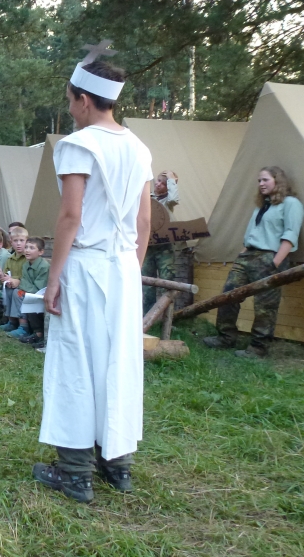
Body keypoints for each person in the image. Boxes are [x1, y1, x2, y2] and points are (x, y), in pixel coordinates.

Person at [33, 58, 152, 504]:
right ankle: (117, 465)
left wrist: (54, 278)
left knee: (75, 362)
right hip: (124, 267)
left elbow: (71, 215)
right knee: (118, 361)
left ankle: (76, 473)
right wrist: (129, 270)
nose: (69, 109)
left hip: (84, 265)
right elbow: (144, 221)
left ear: (84, 99)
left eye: (70, 101)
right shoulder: (139, 147)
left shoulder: (78, 144)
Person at [203, 166, 304, 357]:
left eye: (265, 180)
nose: (261, 184)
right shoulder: (262, 205)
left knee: (265, 305)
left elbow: (290, 235)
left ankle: (258, 348)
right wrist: (241, 255)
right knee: (228, 295)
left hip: (270, 257)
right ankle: (226, 337)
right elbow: (251, 234)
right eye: (259, 181)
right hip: (248, 256)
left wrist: (274, 263)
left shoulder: (291, 203)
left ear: (277, 180)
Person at [141, 170, 180, 313]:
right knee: (146, 283)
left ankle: (166, 317)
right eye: (158, 181)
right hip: (148, 246)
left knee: (167, 280)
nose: (158, 184)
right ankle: (147, 317)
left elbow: (174, 199)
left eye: (163, 183)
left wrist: (172, 180)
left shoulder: (168, 201)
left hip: (164, 247)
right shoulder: (148, 198)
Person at [8, 237, 50, 347]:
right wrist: (22, 285)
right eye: (26, 247)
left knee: (28, 298)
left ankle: (38, 333)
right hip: (29, 292)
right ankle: (18, 325)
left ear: (41, 252)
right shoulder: (26, 264)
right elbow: (24, 282)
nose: (27, 250)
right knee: (16, 292)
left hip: (40, 295)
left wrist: (22, 285)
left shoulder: (44, 266)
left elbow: (39, 287)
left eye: (31, 248)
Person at [0, 227, 28, 330]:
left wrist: (15, 280)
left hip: (25, 289)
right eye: (15, 241)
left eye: (21, 240)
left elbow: (28, 278)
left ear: (26, 241)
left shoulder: (28, 258)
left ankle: (23, 326)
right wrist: (2, 276)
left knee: (16, 293)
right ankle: (11, 322)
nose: (18, 243)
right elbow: (5, 278)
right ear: (11, 242)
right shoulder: (10, 259)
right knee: (9, 291)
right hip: (12, 287)